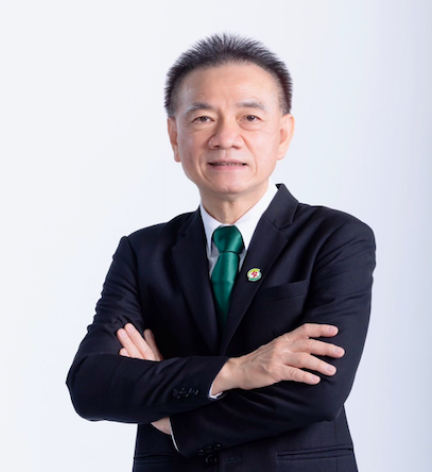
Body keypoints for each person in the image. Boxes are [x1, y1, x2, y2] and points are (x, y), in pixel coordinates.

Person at [66, 33, 376, 472]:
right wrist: (237, 370)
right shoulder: (143, 252)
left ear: (282, 135)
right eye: (203, 118)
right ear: (175, 137)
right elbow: (91, 385)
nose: (226, 137)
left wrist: (173, 419)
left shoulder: (335, 238)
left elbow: (318, 392)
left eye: (250, 117)